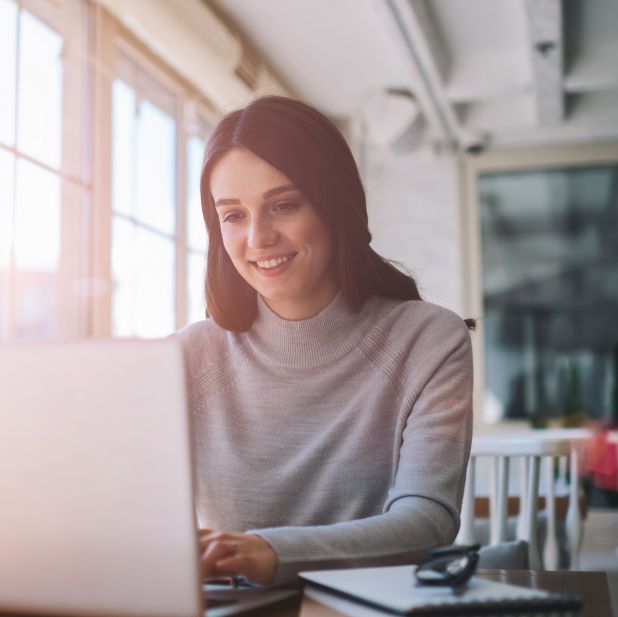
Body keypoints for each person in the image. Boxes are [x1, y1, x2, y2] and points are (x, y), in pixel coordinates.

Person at [177, 96, 474, 586]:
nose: (258, 237)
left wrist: (269, 552)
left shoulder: (428, 340)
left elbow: (427, 524)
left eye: (284, 205)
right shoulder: (186, 357)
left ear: (335, 205)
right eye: (233, 215)